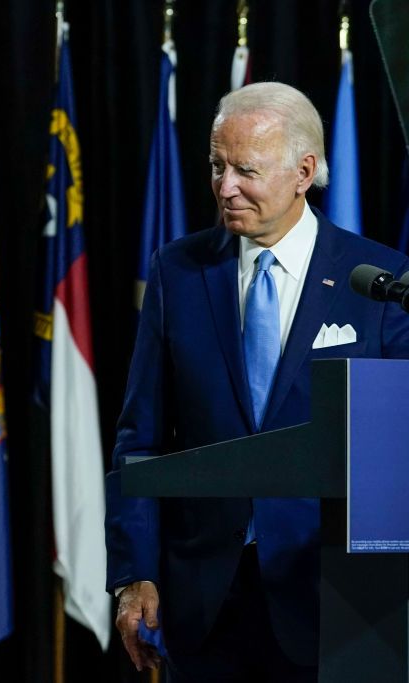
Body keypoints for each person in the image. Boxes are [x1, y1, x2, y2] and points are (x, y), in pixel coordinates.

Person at [105, 82, 409, 681]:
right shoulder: (179, 271)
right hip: (204, 597)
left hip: (336, 595)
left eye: (246, 169)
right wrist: (133, 575)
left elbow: (394, 444)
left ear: (304, 171)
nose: (225, 187)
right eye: (217, 166)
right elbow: (140, 435)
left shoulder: (377, 279)